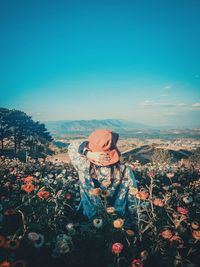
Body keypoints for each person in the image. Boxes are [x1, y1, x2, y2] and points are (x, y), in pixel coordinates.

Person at [68, 129, 139, 228]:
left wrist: (87, 153)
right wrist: (134, 224)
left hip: (89, 220)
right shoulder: (125, 170)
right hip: (118, 222)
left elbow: (73, 146)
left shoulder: (83, 164)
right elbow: (133, 199)